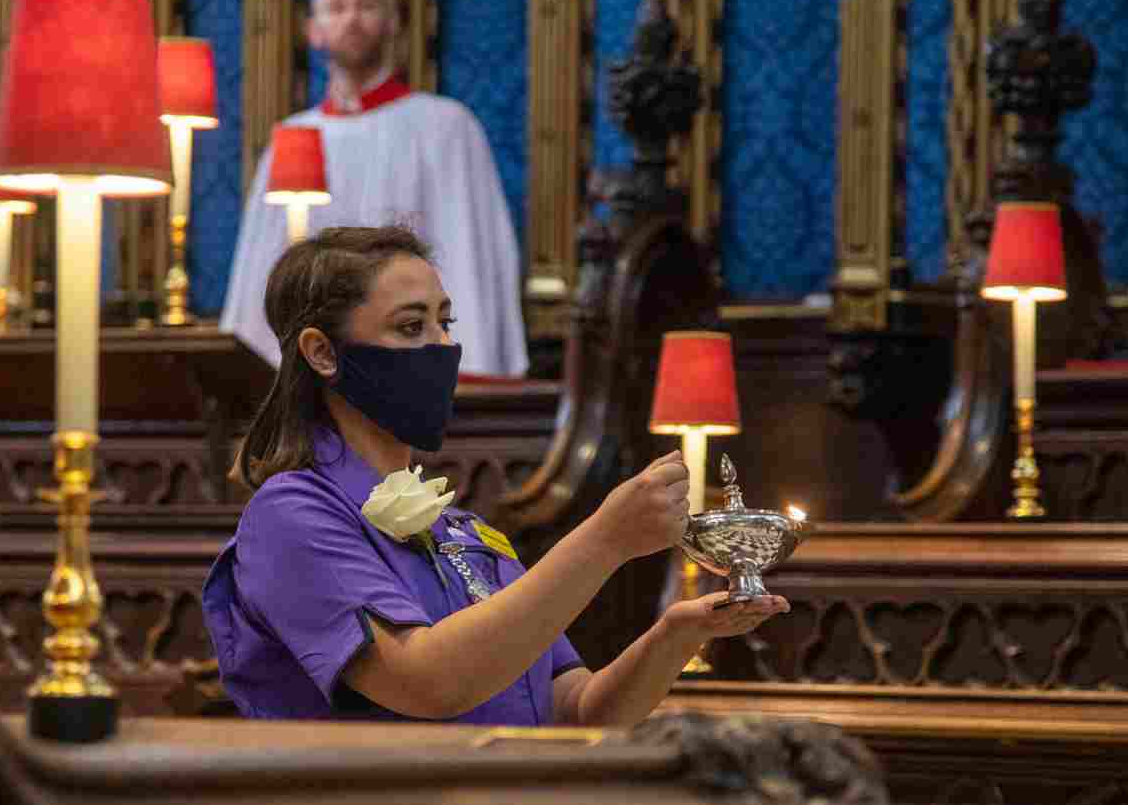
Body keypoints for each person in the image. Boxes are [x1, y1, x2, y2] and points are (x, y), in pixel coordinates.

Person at [202, 226, 787, 723]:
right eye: (411, 328)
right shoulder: (292, 514)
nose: (443, 348)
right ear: (324, 353)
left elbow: (577, 710)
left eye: (444, 323)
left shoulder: (461, 528)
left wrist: (678, 633)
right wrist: (605, 540)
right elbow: (427, 682)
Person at [220, 0, 528, 377]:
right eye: (336, 7)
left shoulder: (445, 127)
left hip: (412, 367)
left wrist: (464, 367)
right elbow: (261, 272)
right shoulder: (293, 138)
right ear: (314, 31)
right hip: (315, 372)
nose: (352, 18)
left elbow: (469, 256)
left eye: (366, 5)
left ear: (392, 22)